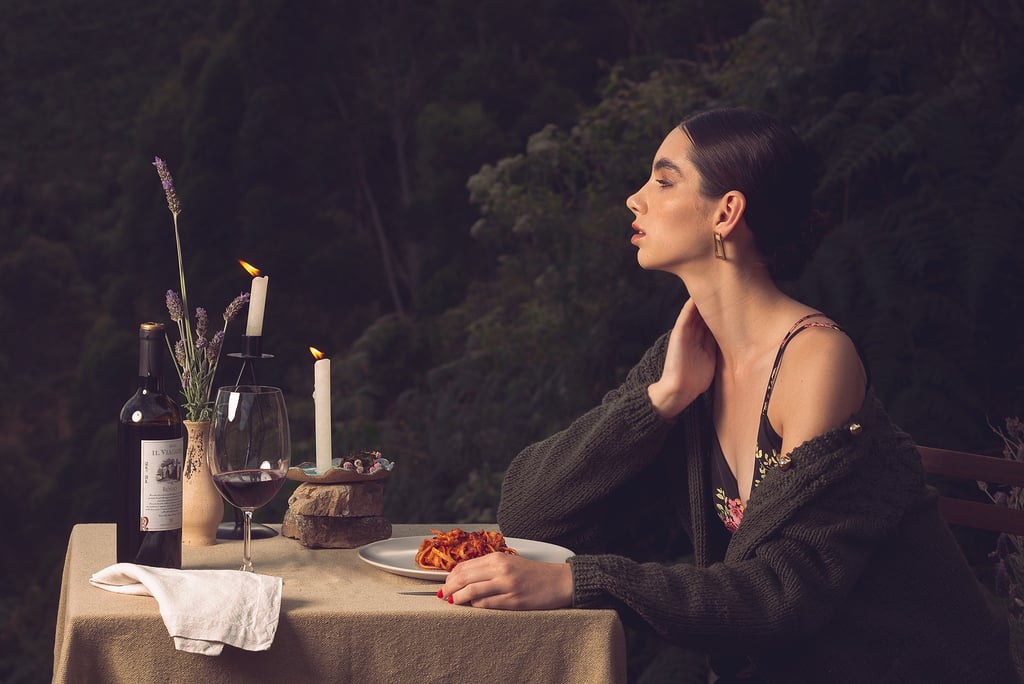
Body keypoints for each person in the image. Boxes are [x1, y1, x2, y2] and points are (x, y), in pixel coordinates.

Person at [439, 107, 1018, 682]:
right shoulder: (688, 353)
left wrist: (580, 582)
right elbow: (530, 514)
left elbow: (781, 595)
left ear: (727, 212)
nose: (634, 199)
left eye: (663, 181)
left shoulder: (817, 359)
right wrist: (658, 402)